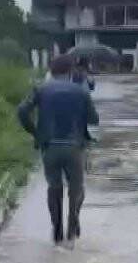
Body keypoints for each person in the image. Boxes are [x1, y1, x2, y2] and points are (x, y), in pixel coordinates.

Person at [18, 55, 99, 245]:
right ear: (70, 71)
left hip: (50, 147)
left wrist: (35, 132)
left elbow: (22, 111)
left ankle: (56, 230)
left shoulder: (41, 89)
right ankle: (72, 229)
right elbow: (94, 119)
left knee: (54, 187)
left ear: (51, 71)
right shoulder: (80, 92)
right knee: (76, 188)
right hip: (74, 147)